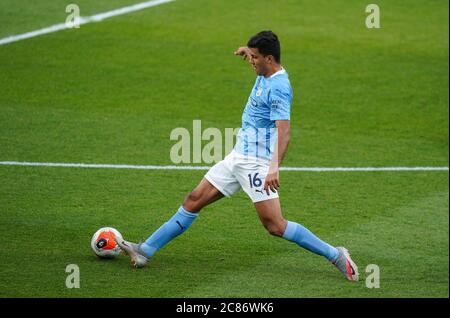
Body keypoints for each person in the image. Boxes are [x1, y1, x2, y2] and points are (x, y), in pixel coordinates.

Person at [118, 30, 359, 281]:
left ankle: (335, 254)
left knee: (275, 226)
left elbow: (284, 132)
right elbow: (258, 61)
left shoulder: (279, 87)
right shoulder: (265, 71)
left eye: (255, 57)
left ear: (269, 58)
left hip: (256, 164)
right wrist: (247, 50)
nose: (251, 61)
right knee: (194, 199)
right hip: (237, 157)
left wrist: (274, 168)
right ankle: (144, 250)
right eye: (250, 56)